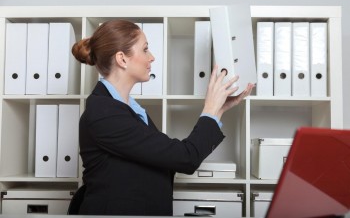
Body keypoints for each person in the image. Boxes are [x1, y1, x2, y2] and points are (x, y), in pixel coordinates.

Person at [71, 19, 254, 215]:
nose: (152, 57)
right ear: (122, 59)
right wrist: (209, 108)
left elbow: (160, 159)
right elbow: (185, 157)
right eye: (145, 49)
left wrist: (218, 109)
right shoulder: (104, 113)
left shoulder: (127, 109)